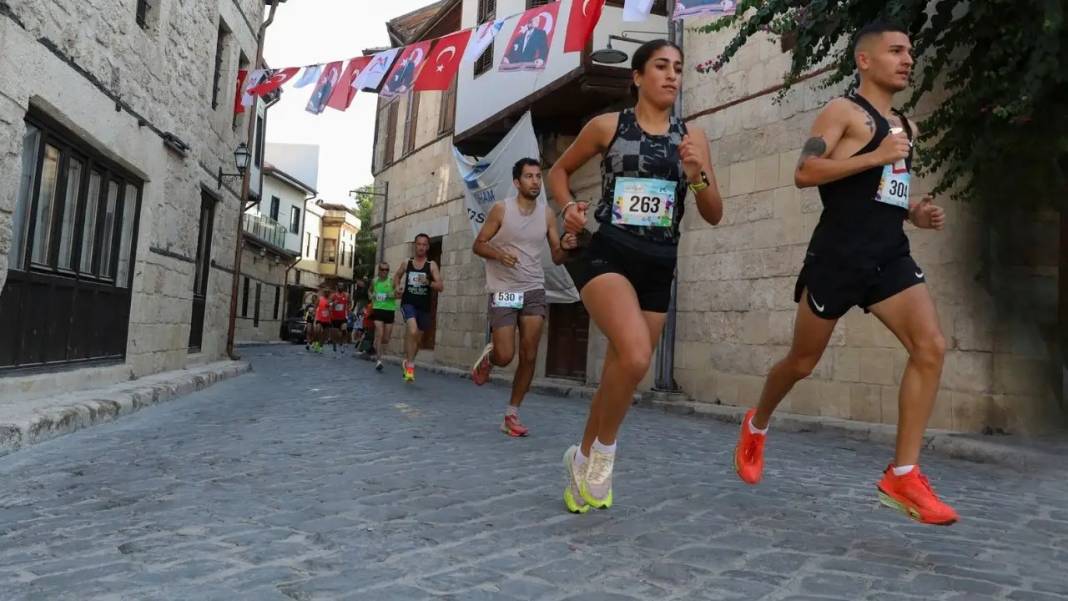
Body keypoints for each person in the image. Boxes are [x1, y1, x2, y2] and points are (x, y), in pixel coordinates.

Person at [733, 22, 957, 526]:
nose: (907, 59)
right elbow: (805, 172)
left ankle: (903, 475)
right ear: (865, 60)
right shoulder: (842, 112)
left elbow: (883, 192)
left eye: (910, 52)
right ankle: (757, 423)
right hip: (837, 258)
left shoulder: (906, 127)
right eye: (895, 51)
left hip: (889, 257)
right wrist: (876, 154)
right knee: (801, 362)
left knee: (931, 347)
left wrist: (914, 213)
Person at [547, 39, 723, 513]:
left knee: (620, 372)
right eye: (661, 66)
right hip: (609, 253)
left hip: (659, 263)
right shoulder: (608, 126)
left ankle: (580, 459)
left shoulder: (692, 138)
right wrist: (568, 207)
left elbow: (714, 213)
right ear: (638, 76)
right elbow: (558, 172)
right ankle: (604, 455)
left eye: (678, 68)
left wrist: (697, 175)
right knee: (637, 354)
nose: (672, 75)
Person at [470, 158, 576, 437]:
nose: (535, 181)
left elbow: (557, 255)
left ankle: (512, 414)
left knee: (529, 355)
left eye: (538, 176)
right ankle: (491, 357)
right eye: (529, 176)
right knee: (506, 356)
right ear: (517, 183)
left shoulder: (547, 214)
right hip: (505, 289)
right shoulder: (501, 210)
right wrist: (499, 254)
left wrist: (566, 246)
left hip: (533, 289)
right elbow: (478, 245)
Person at [393, 234, 443, 382]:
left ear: (427, 247)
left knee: (418, 341)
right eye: (419, 244)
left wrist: (428, 282)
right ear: (415, 245)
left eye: (424, 244)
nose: (421, 247)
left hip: (424, 307)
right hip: (408, 303)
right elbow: (396, 276)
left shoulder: (431, 265)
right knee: (413, 330)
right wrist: (397, 286)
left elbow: (440, 286)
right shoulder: (407, 263)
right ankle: (410, 368)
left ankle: (408, 361)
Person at [370, 262, 398, 372]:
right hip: (378, 309)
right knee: (380, 334)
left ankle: (376, 342)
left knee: (386, 339)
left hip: (389, 310)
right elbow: (369, 291)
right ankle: (379, 361)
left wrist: (392, 294)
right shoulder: (374, 281)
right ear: (379, 270)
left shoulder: (392, 281)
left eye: (387, 270)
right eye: (382, 269)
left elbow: (398, 293)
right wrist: (371, 295)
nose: (384, 272)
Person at [329, 282, 350, 354]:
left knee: (344, 330)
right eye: (339, 286)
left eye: (342, 286)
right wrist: (333, 303)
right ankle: (335, 343)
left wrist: (348, 309)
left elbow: (349, 303)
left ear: (343, 287)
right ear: (337, 287)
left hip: (343, 317)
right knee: (336, 334)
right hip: (334, 318)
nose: (340, 287)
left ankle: (342, 344)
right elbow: (329, 304)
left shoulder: (346, 295)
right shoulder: (333, 295)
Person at [313, 288, 332, 355]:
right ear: (324, 293)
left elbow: (332, 309)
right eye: (325, 292)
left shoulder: (330, 300)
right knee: (317, 331)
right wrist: (314, 312)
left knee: (324, 335)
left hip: (327, 320)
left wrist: (330, 307)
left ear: (329, 293)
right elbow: (315, 306)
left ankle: (320, 347)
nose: (327, 293)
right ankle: (316, 343)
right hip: (320, 318)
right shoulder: (320, 299)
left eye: (328, 292)